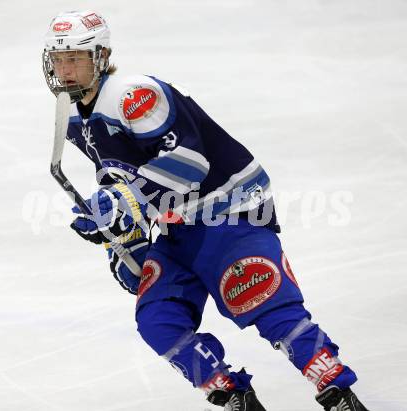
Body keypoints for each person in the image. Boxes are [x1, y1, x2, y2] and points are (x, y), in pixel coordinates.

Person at [43, 10, 370, 411]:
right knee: (158, 319)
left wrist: (129, 204)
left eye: (74, 58)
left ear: (102, 55)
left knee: (265, 303)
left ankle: (336, 390)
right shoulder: (75, 118)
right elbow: (118, 177)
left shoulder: (133, 94)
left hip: (228, 210)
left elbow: (188, 163)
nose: (65, 69)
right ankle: (235, 396)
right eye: (58, 60)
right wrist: (121, 240)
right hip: (176, 224)